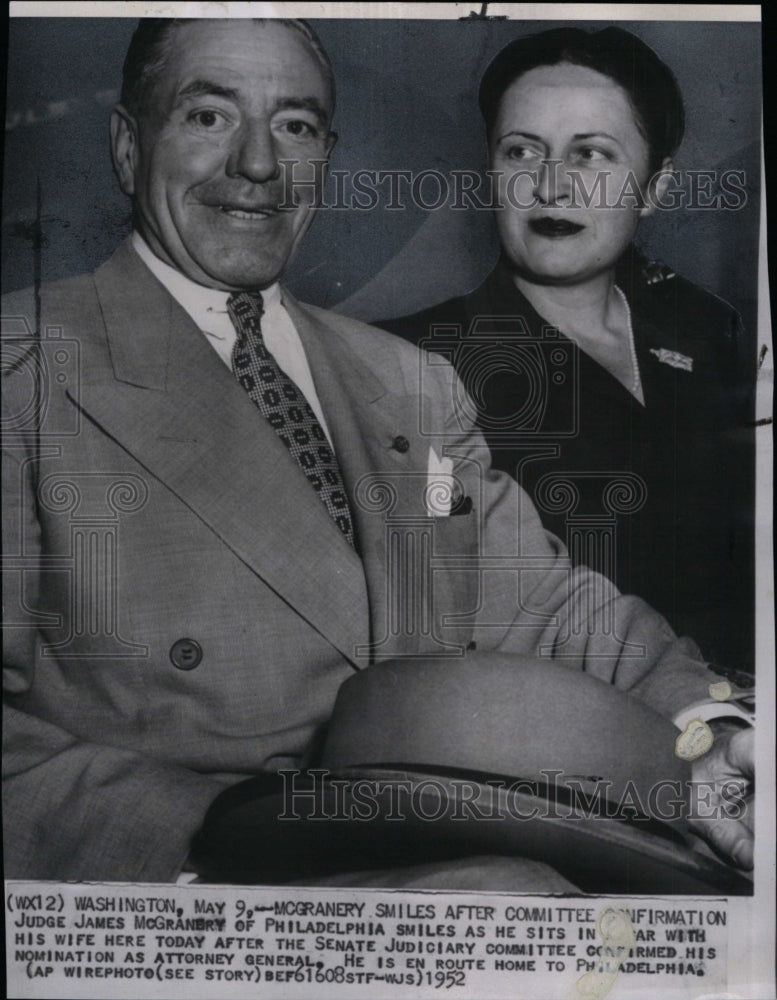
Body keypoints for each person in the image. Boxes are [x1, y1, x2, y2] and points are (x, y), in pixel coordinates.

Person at [2, 18, 753, 886]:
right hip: (200, 880)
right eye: (207, 117)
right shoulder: (25, 366)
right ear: (129, 147)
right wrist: (222, 840)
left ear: (326, 154)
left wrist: (712, 738)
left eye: (294, 125)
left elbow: (551, 608)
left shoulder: (404, 376)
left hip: (446, 847)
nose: (256, 164)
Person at [381, 26, 755, 674]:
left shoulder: (709, 335)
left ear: (655, 185)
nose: (551, 186)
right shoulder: (415, 360)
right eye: (522, 151)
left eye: (590, 155)